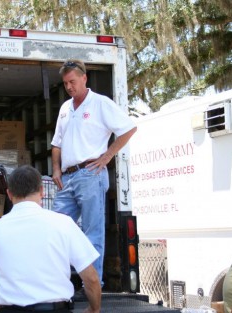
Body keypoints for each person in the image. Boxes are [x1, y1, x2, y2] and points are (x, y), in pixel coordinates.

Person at [51, 59, 137, 285]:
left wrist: (107, 156)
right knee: (56, 230)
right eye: (65, 83)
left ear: (84, 78)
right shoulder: (64, 108)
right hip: (67, 177)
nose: (69, 87)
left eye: (72, 81)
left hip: (90, 173)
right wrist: (56, 170)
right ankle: (56, 282)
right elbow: (56, 143)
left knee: (92, 233)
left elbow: (129, 129)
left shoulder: (100, 103)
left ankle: (93, 285)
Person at [0, 165, 101, 313]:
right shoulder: (64, 223)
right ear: (42, 191)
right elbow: (91, 278)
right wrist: (94, 309)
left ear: (9, 194)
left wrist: (7, 268)